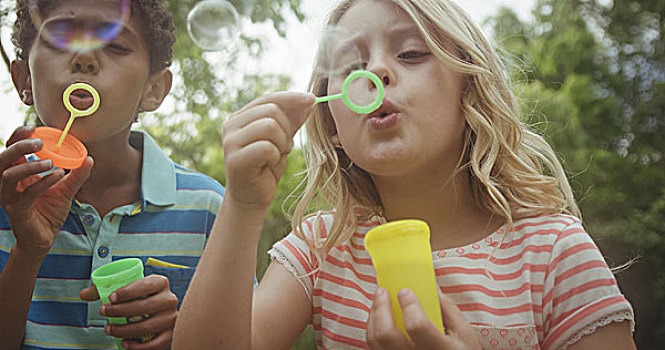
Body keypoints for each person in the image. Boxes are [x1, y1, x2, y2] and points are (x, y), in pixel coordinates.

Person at [173, 0, 636, 349]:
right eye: (351, 68)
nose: (375, 70)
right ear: (333, 124)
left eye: (411, 53)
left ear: (469, 93)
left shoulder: (553, 252)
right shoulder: (323, 248)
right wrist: (243, 204)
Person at [0, 0, 225, 349]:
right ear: (23, 79)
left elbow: (240, 335)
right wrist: (27, 252)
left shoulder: (208, 208)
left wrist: (187, 337)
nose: (84, 59)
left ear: (153, 90)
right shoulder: (5, 197)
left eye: (116, 45)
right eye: (61, 40)